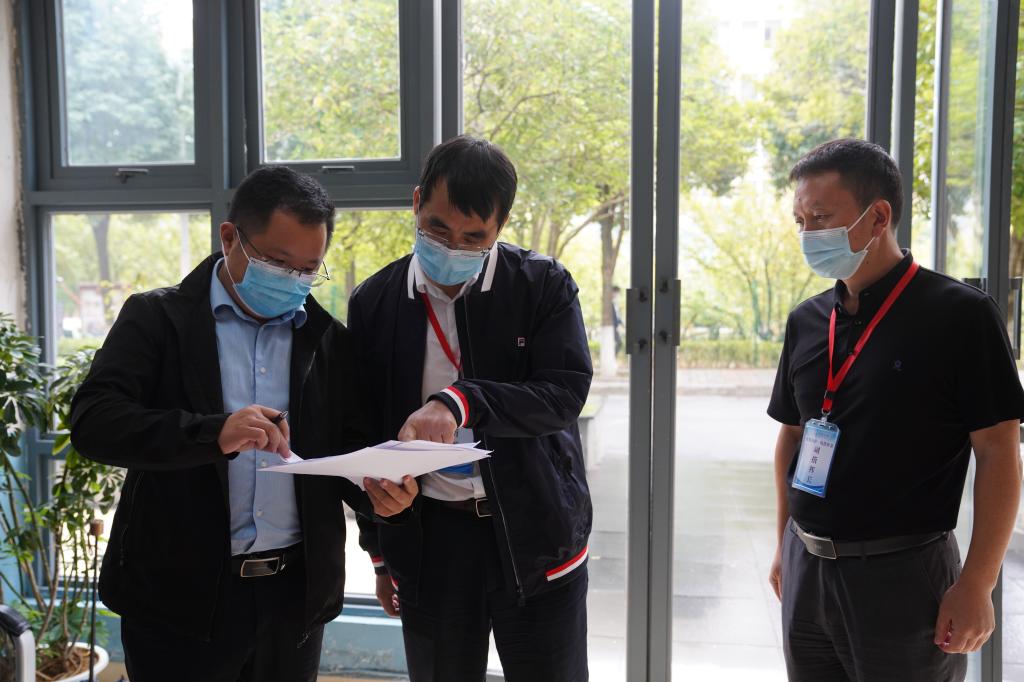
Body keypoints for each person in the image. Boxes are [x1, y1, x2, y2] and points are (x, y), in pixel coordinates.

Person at [70, 166, 418, 682]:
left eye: (308, 269)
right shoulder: (158, 319)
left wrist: (381, 495)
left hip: (293, 598)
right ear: (230, 236)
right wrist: (214, 433)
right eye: (276, 262)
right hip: (179, 599)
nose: (292, 280)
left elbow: (345, 450)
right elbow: (94, 422)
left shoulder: (327, 340)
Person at [767, 138, 1024, 682]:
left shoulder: (959, 316)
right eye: (800, 221)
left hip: (903, 577)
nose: (808, 234)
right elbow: (792, 436)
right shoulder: (807, 321)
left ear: (878, 217)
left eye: (821, 218)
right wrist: (782, 545)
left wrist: (977, 584)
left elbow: (999, 451)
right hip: (806, 566)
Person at [348, 135, 593, 682]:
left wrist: (460, 401)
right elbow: (365, 430)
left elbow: (562, 394)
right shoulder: (375, 302)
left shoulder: (542, 286)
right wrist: (381, 552)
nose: (451, 247)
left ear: (499, 227)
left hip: (535, 538)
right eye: (437, 228)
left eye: (473, 237)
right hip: (432, 543)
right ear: (416, 203)